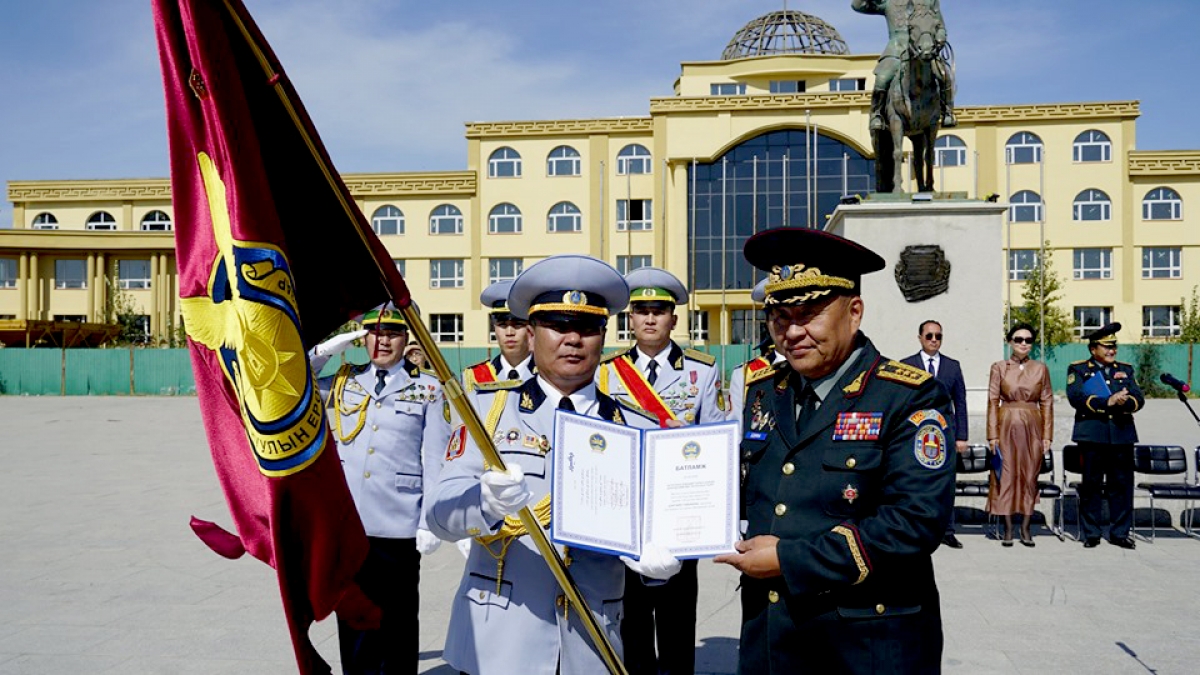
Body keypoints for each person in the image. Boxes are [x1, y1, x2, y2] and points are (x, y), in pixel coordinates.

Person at [426, 255, 682, 675]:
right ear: (531, 333)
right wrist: (484, 503)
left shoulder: (637, 427)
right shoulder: (486, 411)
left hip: (593, 642)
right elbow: (438, 513)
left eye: (587, 328)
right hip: (498, 642)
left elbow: (656, 537)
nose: (573, 340)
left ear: (603, 336)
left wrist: (662, 566)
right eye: (559, 326)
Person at [715, 227, 955, 674]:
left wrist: (788, 559)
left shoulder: (909, 397)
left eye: (808, 313)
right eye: (779, 316)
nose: (791, 332)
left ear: (854, 311)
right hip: (773, 637)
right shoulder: (763, 391)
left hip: (866, 643)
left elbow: (915, 524)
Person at [595, 266, 723, 675]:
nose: (650, 318)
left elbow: (718, 440)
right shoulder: (606, 372)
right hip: (627, 513)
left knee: (677, 620)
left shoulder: (702, 371)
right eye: (641, 310)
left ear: (674, 318)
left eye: (659, 310)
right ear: (628, 318)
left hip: (679, 512)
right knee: (629, 618)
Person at [311, 303, 450, 674]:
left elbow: (434, 458)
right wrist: (327, 349)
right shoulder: (344, 380)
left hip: (398, 524)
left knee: (398, 622)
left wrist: (428, 520)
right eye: (373, 332)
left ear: (406, 338)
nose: (381, 341)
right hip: (350, 522)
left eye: (391, 332)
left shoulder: (428, 388)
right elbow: (292, 377)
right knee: (354, 619)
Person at [1066, 322, 1143, 550]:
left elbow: (1138, 397)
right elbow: (1076, 397)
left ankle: (1120, 533)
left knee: (1122, 485)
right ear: (1093, 349)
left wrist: (1125, 401)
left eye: (1114, 347)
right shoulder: (1079, 369)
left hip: (1121, 435)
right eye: (1106, 347)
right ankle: (1092, 533)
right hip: (1092, 435)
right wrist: (1105, 402)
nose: (1112, 351)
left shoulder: (1126, 369)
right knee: (1092, 485)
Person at [901, 319, 969, 549]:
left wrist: (962, 436)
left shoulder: (952, 366)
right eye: (929, 336)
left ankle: (947, 531)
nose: (933, 340)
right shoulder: (906, 365)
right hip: (914, 433)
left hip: (945, 433)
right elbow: (900, 402)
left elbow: (960, 402)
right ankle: (914, 528)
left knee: (946, 481)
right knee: (915, 481)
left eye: (938, 336)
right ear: (920, 337)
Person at [985, 323, 1053, 547]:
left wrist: (1047, 435)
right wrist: (992, 434)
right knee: (1005, 474)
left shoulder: (1040, 368)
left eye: (1028, 340)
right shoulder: (999, 367)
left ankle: (1025, 526)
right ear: (1010, 342)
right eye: (1018, 339)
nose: (1023, 343)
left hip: (1033, 424)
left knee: (1029, 475)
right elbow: (993, 401)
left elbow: (1047, 401)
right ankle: (1007, 527)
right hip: (1006, 423)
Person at [851, 0, 956, 131]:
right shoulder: (888, 2)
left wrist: (940, 39)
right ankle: (876, 114)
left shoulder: (928, 1)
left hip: (923, 49)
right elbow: (857, 6)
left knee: (944, 75)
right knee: (882, 79)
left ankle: (947, 111)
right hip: (896, 49)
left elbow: (940, 26)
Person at [727, 278, 785, 423]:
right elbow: (737, 431)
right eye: (782, 317)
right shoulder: (747, 373)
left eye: (804, 315)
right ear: (767, 322)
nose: (793, 327)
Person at [462, 279, 534, 392]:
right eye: (502, 325)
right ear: (494, 328)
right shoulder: (475, 377)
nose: (510, 332)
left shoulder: (549, 375)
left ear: (531, 329)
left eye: (518, 325)